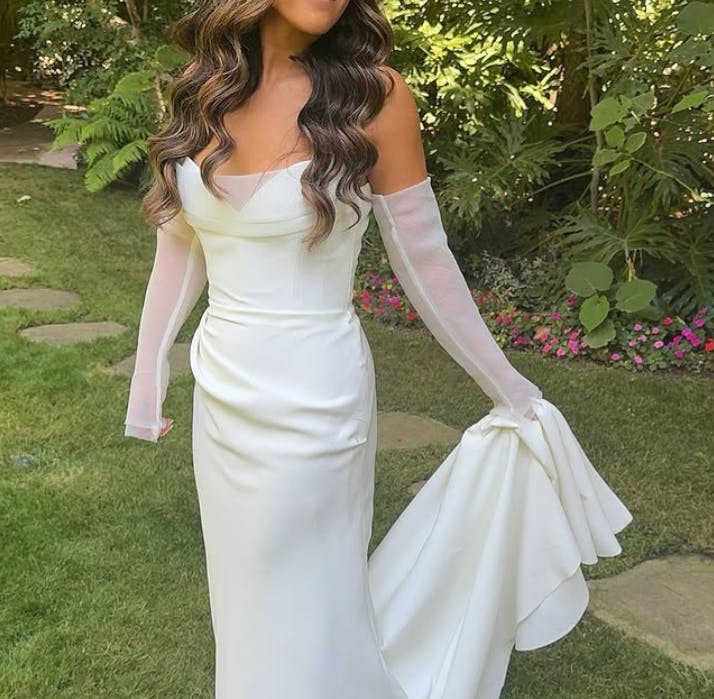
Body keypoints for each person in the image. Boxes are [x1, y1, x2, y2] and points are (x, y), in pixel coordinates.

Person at [124, 1, 633, 697]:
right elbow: (181, 247)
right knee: (244, 593)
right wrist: (147, 376)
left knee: (306, 587)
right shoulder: (203, 90)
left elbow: (423, 254)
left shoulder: (373, 94)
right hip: (224, 389)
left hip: (317, 393)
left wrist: (506, 385)